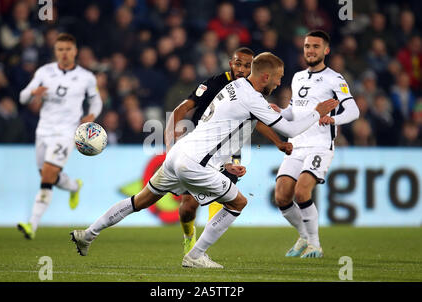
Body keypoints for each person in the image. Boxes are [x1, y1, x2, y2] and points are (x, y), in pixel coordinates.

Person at [70, 52, 338, 268]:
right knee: (238, 202)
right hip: (193, 163)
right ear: (265, 76)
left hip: (182, 154)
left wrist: (223, 165)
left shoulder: (234, 86)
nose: (280, 84)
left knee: (139, 200)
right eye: (278, 79)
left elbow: (218, 131)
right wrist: (316, 112)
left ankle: (87, 234)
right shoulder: (252, 99)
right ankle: (195, 255)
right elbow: (289, 129)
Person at [164, 47, 292, 256]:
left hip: (229, 154)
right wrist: (171, 145)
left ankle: (200, 250)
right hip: (200, 151)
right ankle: (189, 239)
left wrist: (278, 142)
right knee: (188, 207)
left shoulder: (253, 90)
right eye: (238, 64)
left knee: (223, 197)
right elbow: (181, 109)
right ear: (231, 64)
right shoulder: (214, 84)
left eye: (247, 66)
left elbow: (257, 121)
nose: (241, 69)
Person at [271, 30, 359, 258]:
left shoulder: (335, 79)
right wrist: (280, 112)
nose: (310, 50)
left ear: (326, 51)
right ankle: (304, 236)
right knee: (281, 196)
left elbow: (353, 110)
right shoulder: (298, 76)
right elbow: (294, 111)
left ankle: (315, 246)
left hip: (319, 145)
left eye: (316, 47)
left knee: (302, 191)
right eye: (307, 46)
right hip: (296, 144)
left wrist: (334, 118)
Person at [17, 33, 103, 240]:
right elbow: (22, 97)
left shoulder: (86, 77)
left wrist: (91, 116)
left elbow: (96, 101)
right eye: (60, 49)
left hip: (66, 132)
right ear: (55, 51)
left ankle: (31, 225)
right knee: (46, 174)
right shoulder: (44, 72)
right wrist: (34, 93)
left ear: (75, 51)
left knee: (47, 175)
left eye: (68, 49)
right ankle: (74, 186)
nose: (64, 53)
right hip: (43, 130)